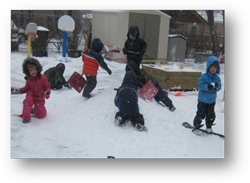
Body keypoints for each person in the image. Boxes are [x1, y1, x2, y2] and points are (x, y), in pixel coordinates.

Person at [11, 57, 51, 123]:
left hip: (40, 98)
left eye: (34, 69)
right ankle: (26, 117)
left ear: (37, 69)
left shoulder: (43, 78)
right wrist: (17, 91)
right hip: (31, 95)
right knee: (27, 101)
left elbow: (47, 87)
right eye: (31, 70)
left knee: (41, 115)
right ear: (28, 72)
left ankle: (34, 110)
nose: (33, 72)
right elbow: (25, 88)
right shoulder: (29, 79)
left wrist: (47, 93)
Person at [193, 56, 221, 133]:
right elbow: (201, 85)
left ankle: (209, 125)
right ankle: (196, 125)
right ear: (208, 67)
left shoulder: (217, 78)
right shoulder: (204, 77)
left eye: (215, 67)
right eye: (211, 67)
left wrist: (217, 87)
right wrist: (208, 87)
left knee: (211, 115)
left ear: (217, 69)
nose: (213, 69)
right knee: (201, 114)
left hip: (212, 100)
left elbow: (220, 87)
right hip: (203, 100)